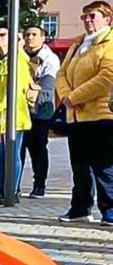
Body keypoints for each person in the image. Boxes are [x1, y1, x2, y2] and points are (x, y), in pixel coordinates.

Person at [56, 0, 113, 223]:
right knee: (80, 166)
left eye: (92, 16)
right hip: (76, 116)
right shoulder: (78, 44)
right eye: (84, 17)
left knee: (103, 166)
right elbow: (61, 74)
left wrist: (74, 97)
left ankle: (110, 210)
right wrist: (65, 96)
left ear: (107, 19)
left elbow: (106, 78)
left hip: (101, 115)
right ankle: (80, 208)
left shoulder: (109, 43)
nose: (87, 20)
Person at [0, 28, 33, 205]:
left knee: (12, 154)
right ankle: (1, 189)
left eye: (3, 35)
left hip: (13, 117)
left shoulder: (19, 60)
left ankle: (12, 190)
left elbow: (16, 89)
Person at [21, 25, 61, 198]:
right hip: (20, 110)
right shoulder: (20, 56)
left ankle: (39, 185)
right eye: (27, 34)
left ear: (43, 38)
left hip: (40, 111)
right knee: (18, 148)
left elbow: (47, 87)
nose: (30, 37)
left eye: (34, 34)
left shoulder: (49, 58)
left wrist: (34, 105)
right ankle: (13, 185)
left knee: (37, 149)